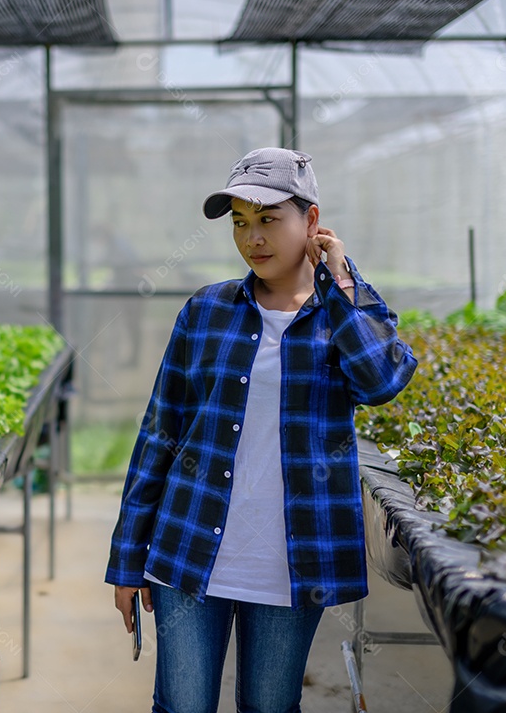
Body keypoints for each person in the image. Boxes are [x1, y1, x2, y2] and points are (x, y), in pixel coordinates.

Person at [105, 147, 418, 713]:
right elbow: (159, 433)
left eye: (269, 219)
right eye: (240, 223)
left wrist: (340, 280)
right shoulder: (206, 310)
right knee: (181, 707)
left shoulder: (343, 313)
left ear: (312, 221)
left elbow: (381, 381)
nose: (253, 238)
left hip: (293, 565)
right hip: (187, 550)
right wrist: (127, 558)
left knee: (270, 707)